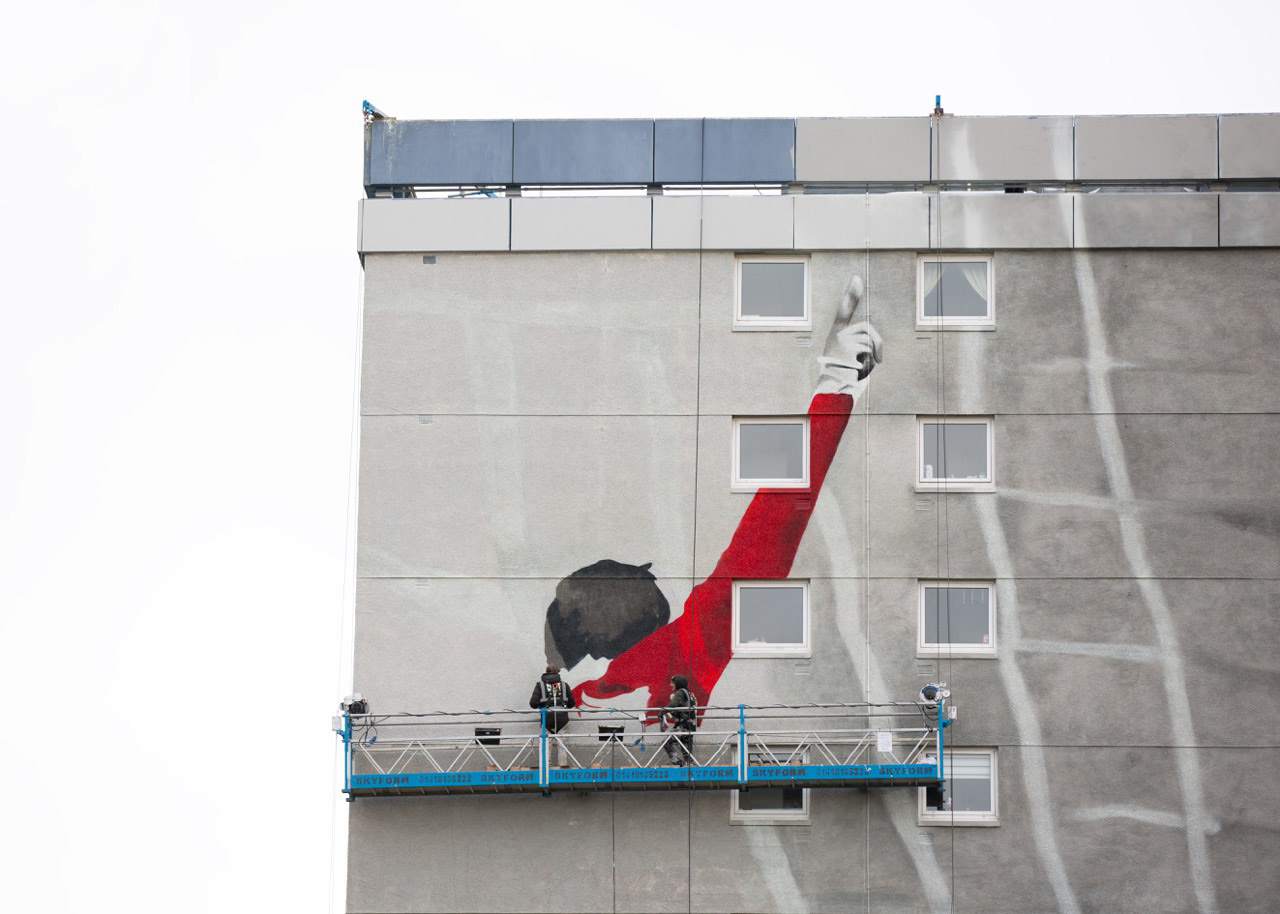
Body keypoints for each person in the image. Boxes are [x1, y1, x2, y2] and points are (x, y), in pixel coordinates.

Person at [572, 276, 881, 717]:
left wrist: (836, 385)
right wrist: (835, 384)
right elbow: (776, 519)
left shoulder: (667, 650)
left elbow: (776, 519)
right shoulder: (674, 648)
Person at [529, 665, 575, 768]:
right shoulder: (564, 685)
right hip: (562, 719)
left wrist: (543, 703)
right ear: (558, 672)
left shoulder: (540, 686)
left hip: (547, 719)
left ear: (546, 672)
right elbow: (572, 703)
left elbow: (533, 704)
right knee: (562, 745)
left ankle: (546, 768)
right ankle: (562, 768)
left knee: (546, 745)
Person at [661, 674, 697, 766]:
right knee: (687, 754)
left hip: (683, 727)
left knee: (666, 742)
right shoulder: (688, 694)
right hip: (690, 727)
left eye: (672, 683)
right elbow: (680, 710)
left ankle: (677, 762)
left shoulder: (680, 692)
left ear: (678, 683)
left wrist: (662, 712)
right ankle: (688, 765)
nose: (670, 684)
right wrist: (669, 714)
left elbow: (673, 704)